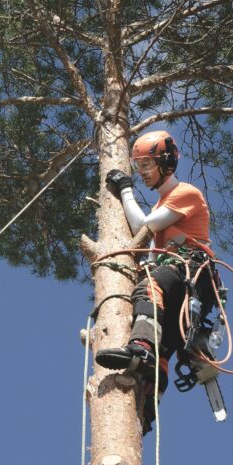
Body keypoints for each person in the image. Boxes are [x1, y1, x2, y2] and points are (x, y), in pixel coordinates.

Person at [94, 130, 218, 380]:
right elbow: (150, 253)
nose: (142, 171)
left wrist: (125, 189)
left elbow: (143, 229)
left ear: (165, 162)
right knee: (164, 346)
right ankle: (149, 404)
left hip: (191, 272)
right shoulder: (159, 206)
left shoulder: (186, 193)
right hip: (176, 282)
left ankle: (140, 348)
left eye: (147, 164)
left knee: (149, 287)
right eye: (138, 165)